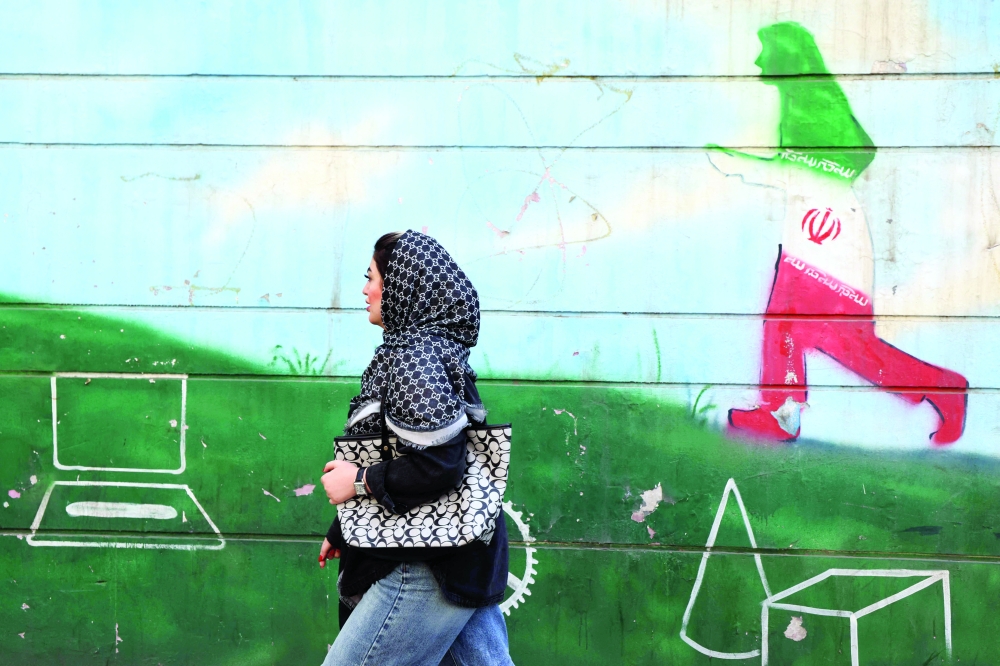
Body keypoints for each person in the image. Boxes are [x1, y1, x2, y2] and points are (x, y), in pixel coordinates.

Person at [708, 22, 967, 443]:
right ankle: (942, 388)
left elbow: (812, 170)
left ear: (788, 58)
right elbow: (835, 160)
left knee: (790, 325)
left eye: (765, 51)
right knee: (843, 345)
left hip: (826, 238)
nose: (758, 60)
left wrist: (738, 164)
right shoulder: (803, 98)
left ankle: (781, 415)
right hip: (818, 232)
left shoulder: (812, 101)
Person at [317, 230, 514, 666]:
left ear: (403, 285)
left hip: (425, 562)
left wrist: (360, 483)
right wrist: (344, 528)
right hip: (457, 552)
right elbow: (401, 452)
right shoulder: (423, 351)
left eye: (372, 277)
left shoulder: (415, 359)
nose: (365, 289)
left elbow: (439, 464)